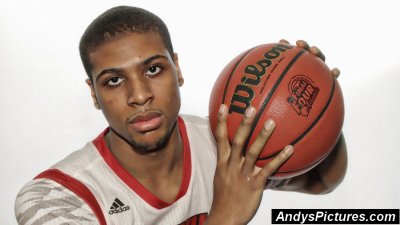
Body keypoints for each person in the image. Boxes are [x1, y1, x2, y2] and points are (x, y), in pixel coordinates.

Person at [14, 6, 347, 225]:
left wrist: (313, 106)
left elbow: (322, 179)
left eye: (154, 69)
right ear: (94, 95)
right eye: (114, 80)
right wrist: (224, 218)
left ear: (178, 69)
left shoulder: (227, 143)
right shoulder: (54, 197)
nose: (140, 95)